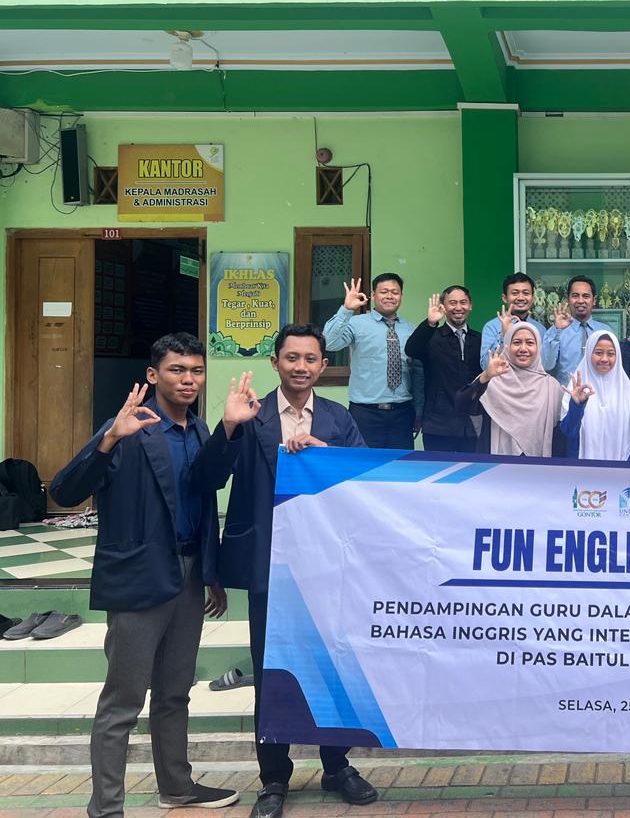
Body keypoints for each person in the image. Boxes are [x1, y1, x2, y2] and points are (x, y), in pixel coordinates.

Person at [49, 334, 236, 818]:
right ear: (154, 375)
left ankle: (178, 786)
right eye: (177, 370)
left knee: (175, 692)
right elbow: (66, 491)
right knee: (122, 703)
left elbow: (202, 502)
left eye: (196, 371)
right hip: (139, 579)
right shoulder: (129, 427)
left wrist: (211, 574)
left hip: (190, 575)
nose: (188, 379)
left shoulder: (198, 432)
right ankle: (106, 808)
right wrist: (109, 439)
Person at [197, 324, 375, 818]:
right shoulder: (250, 417)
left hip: (327, 568)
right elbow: (211, 478)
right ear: (276, 363)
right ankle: (273, 778)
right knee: (271, 670)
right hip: (269, 568)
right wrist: (229, 426)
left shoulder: (339, 419)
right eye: (291, 357)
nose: (301, 366)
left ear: (323, 366)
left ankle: (337, 765)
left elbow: (367, 486)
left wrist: (329, 459)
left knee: (333, 666)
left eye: (310, 358)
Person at [322, 274, 416, 450]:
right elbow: (328, 343)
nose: (389, 296)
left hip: (402, 413)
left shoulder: (410, 329)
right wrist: (346, 309)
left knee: (400, 468)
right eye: (384, 291)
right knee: (363, 468)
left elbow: (418, 372)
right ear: (373, 295)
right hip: (365, 413)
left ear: (401, 296)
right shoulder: (356, 323)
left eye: (395, 292)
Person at [458, 321, 564, 457]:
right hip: (495, 468)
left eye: (530, 343)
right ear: (507, 346)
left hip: (538, 469)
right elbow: (461, 405)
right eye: (517, 342)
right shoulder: (492, 379)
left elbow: (561, 435)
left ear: (538, 347)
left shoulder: (551, 386)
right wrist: (485, 376)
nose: (523, 349)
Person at [405, 285, 482, 454]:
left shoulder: (479, 339)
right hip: (438, 424)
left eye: (463, 302)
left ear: (470, 306)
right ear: (444, 307)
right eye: (452, 303)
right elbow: (411, 350)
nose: (458, 307)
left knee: (471, 476)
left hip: (471, 424)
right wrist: (430, 322)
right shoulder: (431, 336)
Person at [560, 330, 630, 462]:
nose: (604, 359)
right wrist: (576, 406)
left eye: (611, 354)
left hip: (619, 474)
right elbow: (568, 432)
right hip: (581, 472)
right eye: (598, 353)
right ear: (588, 353)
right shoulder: (577, 386)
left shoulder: (626, 390)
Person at [542, 275, 603, 384]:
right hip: (566, 397)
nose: (580, 300)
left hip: (599, 396)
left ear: (594, 300)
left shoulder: (605, 331)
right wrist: (557, 331)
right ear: (567, 299)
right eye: (575, 296)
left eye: (586, 296)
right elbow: (546, 365)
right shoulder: (555, 331)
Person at [479, 272, 545, 363]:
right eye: (515, 293)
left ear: (533, 298)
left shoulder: (540, 329)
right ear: (505, 298)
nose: (521, 298)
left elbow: (545, 364)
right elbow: (485, 365)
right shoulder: (491, 327)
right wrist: (503, 335)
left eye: (526, 293)